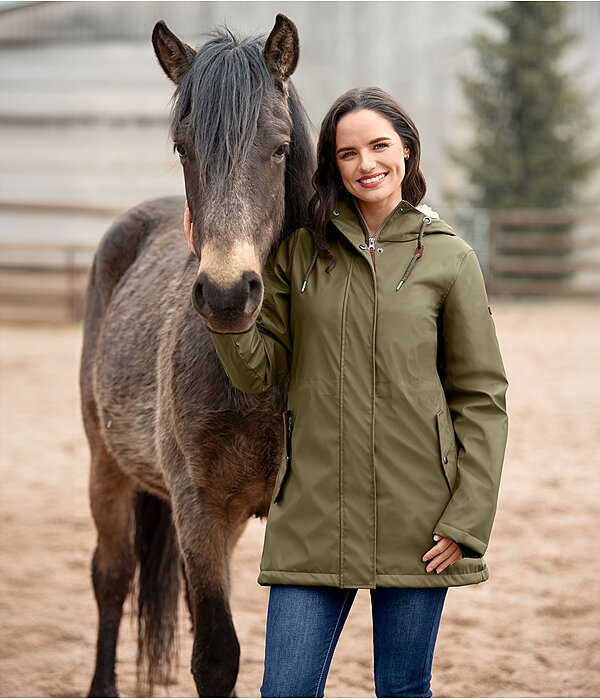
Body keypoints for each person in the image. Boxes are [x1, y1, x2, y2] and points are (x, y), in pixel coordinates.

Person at [184, 87, 508, 698]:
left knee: (403, 691)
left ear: (407, 152)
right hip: (313, 521)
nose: (366, 164)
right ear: (329, 165)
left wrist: (467, 520)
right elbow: (255, 372)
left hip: (420, 526)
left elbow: (482, 399)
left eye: (379, 146)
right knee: (283, 691)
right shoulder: (301, 254)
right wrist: (222, 298)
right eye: (347, 152)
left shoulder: (450, 260)